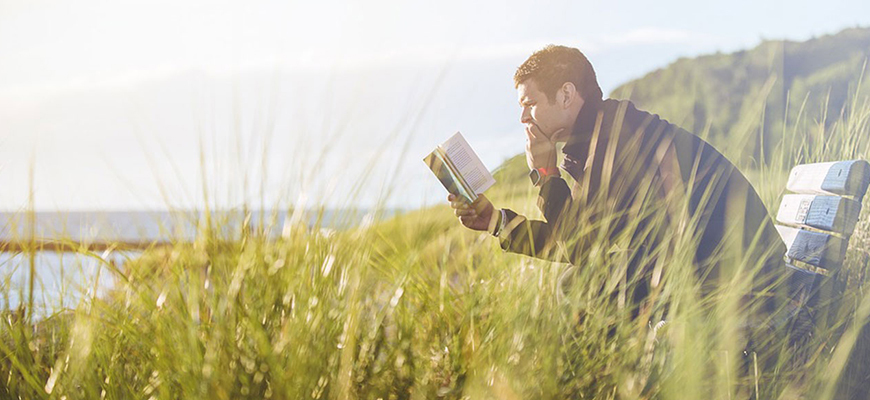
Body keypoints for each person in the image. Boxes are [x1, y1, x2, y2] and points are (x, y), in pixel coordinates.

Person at [447, 45, 792, 334]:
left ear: (566, 94)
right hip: (717, 269)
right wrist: (495, 220)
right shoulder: (602, 134)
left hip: (744, 283)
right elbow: (578, 241)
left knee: (580, 284)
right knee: (581, 279)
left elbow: (579, 247)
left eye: (529, 103)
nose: (523, 118)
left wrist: (548, 174)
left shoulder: (617, 140)